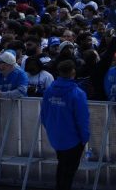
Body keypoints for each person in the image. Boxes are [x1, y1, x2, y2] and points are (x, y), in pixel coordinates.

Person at [40, 60, 91, 190]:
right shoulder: (77, 93)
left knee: (62, 166)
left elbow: (44, 115)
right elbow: (82, 119)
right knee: (68, 171)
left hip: (56, 137)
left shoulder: (49, 91)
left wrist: (51, 131)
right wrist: (84, 138)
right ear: (73, 72)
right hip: (73, 139)